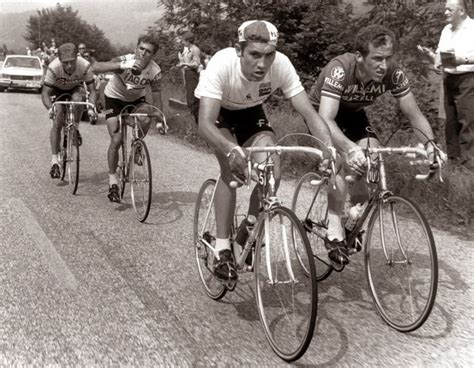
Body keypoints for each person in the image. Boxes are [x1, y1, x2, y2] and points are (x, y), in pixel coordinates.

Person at [195, 20, 338, 281]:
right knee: (232, 169)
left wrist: (327, 148)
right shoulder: (222, 63)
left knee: (273, 166)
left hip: (249, 110)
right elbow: (205, 123)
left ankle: (247, 229)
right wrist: (231, 149)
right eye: (254, 55)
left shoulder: (281, 65)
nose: (262, 63)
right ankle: (223, 247)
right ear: (239, 50)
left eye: (269, 55)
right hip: (215, 110)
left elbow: (308, 111)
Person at [308, 24, 447, 266]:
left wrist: (431, 146)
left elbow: (414, 115)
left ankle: (352, 222)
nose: (383, 65)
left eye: (388, 58)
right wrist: (349, 149)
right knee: (340, 160)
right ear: (360, 57)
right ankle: (333, 227)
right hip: (321, 114)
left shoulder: (392, 73)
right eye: (377, 58)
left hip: (353, 114)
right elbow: (326, 118)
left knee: (370, 158)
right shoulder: (340, 69)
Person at [92, 34, 163, 203]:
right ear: (135, 48)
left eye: (148, 52)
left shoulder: (155, 71)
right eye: (141, 49)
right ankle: (113, 180)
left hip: (135, 100)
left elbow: (157, 97)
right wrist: (123, 65)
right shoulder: (125, 60)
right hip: (113, 98)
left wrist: (159, 118)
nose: (144, 53)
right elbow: (96, 68)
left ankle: (137, 145)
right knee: (116, 139)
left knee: (146, 118)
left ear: (152, 56)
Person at [41, 43, 97, 179]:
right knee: (58, 120)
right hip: (57, 90)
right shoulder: (53, 68)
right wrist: (50, 109)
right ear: (59, 60)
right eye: (65, 63)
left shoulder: (84, 65)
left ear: (77, 57)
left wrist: (91, 107)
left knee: (79, 98)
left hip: (75, 88)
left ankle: (75, 128)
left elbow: (92, 91)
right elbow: (45, 94)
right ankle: (55, 161)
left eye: (72, 62)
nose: (70, 66)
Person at [436, 0, 474, 167]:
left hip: (468, 78)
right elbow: (440, 51)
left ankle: (468, 165)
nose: (445, 13)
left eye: (449, 9)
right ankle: (454, 162)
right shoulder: (446, 30)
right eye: (445, 9)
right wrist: (436, 61)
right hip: (449, 79)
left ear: (461, 11)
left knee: (467, 121)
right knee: (450, 122)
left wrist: (463, 59)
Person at [176, 32, 201, 123]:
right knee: (189, 97)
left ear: (188, 41)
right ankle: (195, 118)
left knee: (193, 98)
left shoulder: (195, 49)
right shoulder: (190, 49)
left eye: (184, 41)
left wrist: (184, 64)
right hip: (187, 73)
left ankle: (197, 119)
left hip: (192, 73)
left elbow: (196, 63)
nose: (183, 43)